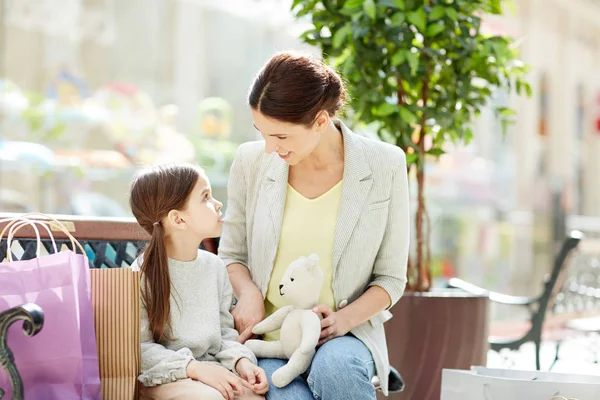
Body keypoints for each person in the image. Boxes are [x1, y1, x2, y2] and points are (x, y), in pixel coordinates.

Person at [218, 52, 410, 400]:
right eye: (262, 132)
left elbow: (391, 278)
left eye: (281, 137)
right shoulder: (251, 162)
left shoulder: (386, 164)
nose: (269, 148)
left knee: (335, 369)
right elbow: (232, 254)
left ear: (320, 122)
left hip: (346, 335)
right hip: (270, 341)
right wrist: (247, 293)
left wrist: (343, 320)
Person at [129, 164, 269, 400]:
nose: (217, 204)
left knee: (252, 397)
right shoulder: (142, 274)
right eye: (205, 197)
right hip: (165, 375)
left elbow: (224, 334)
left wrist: (242, 361)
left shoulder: (215, 267)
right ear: (178, 219)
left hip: (210, 371)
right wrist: (194, 369)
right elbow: (139, 349)